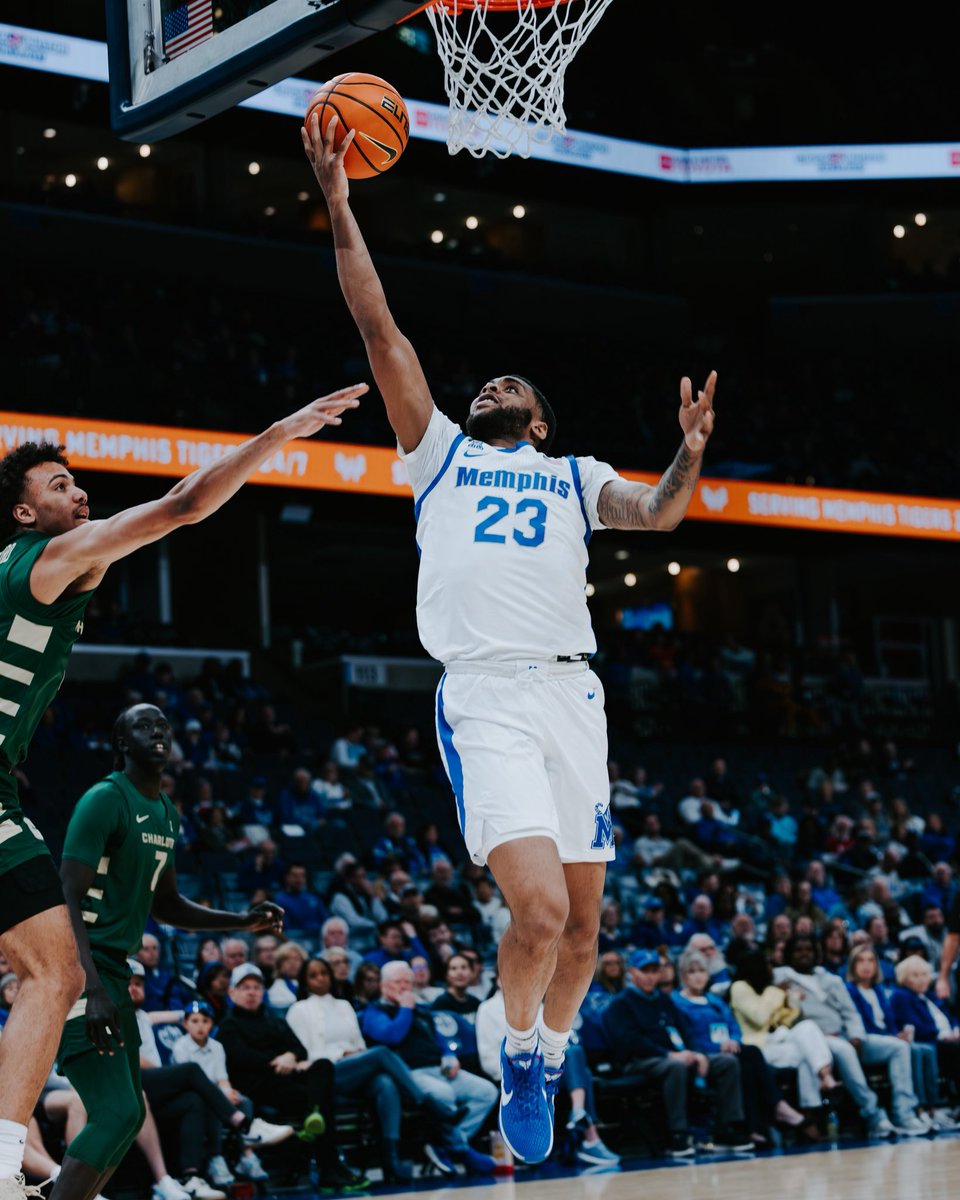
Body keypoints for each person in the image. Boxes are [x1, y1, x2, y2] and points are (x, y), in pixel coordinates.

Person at [304, 111, 716, 1166]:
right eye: (486, 381)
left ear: (539, 420)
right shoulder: (436, 450)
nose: (491, 384)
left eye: (512, 386)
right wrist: (341, 205)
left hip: (572, 698)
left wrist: (688, 456)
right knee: (534, 915)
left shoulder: (574, 477)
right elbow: (381, 329)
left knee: (584, 934)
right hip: (484, 694)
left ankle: (545, 1047)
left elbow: (661, 513)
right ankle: (520, 1050)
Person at [0, 384, 363, 1199]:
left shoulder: (13, 570)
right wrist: (280, 432)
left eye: (76, 482)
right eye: (58, 486)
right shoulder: (52, 559)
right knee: (54, 972)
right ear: (25, 518)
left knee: (46, 973)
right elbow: (185, 504)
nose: (79, 492)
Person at [49, 704, 288, 1200]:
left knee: (130, 1113)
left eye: (163, 724)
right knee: (115, 1112)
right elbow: (65, 897)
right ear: (121, 741)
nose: (158, 730)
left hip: (115, 973)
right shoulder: (103, 800)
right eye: (143, 725)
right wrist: (89, 983)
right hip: (78, 971)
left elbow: (169, 905)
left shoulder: (165, 813)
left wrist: (243, 920)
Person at [285, 957, 458, 1182]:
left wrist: (354, 1053)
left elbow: (359, 1044)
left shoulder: (344, 1005)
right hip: (325, 1074)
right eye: (313, 975)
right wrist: (340, 1054)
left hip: (355, 1067)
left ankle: (391, 1163)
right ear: (304, 981)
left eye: (324, 973)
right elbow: (305, 1054)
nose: (320, 979)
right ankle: (423, 1100)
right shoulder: (298, 1010)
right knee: (382, 1053)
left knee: (385, 1084)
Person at [216, 964, 368, 1192]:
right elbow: (243, 1059)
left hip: (287, 1079)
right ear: (232, 992)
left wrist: (289, 1056)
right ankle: (329, 1164)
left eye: (256, 987)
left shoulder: (273, 1019)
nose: (251, 992)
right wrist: (281, 1061)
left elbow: (299, 1048)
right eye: (245, 987)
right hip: (259, 1086)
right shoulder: (229, 1026)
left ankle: (316, 1123)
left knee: (324, 1066)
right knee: (321, 1100)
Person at [600, 950, 751, 1156]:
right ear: (632, 973)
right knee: (676, 1067)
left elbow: (685, 1030)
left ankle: (726, 1128)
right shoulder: (621, 1004)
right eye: (645, 971)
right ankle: (677, 1134)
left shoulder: (663, 999)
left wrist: (697, 1053)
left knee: (727, 1062)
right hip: (638, 1061)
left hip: (675, 1056)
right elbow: (630, 1042)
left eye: (655, 971)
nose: (651, 976)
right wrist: (668, 1054)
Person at [774, 934, 920, 1137]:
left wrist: (856, 1036)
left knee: (899, 1047)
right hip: (815, 1039)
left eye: (809, 948)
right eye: (798, 949)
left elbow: (850, 1012)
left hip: (845, 1035)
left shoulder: (830, 979)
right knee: (845, 1050)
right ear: (788, 954)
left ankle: (904, 1114)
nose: (804, 953)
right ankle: (874, 1115)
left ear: (817, 953)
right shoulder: (780, 977)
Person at [359, 962, 498, 1175]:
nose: (405, 987)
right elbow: (391, 1036)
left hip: (440, 1070)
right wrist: (405, 1009)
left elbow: (440, 1040)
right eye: (398, 982)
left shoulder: (422, 1009)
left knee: (487, 1092)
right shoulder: (374, 1012)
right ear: (384, 985)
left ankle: (448, 1143)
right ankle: (459, 1149)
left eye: (408, 982)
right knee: (444, 1095)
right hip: (409, 1074)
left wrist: (449, 1056)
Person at [672, 950, 814, 1147]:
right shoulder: (678, 1003)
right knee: (748, 1057)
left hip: (729, 1048)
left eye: (702, 971)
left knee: (749, 1061)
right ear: (683, 976)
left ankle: (753, 1129)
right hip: (704, 1052)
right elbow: (687, 1036)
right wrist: (716, 1046)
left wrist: (734, 1041)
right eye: (692, 971)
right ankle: (776, 1107)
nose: (698, 976)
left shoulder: (714, 1000)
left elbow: (733, 1025)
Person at [171, 1000, 290, 1182]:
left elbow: (222, 1078)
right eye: (194, 1021)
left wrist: (227, 1091)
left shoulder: (217, 1047)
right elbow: (186, 1082)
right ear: (185, 1024)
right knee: (212, 1103)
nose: (200, 1026)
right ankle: (215, 1157)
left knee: (243, 1101)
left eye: (205, 1021)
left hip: (215, 1092)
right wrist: (220, 1094)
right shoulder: (180, 1046)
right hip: (192, 1095)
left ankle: (246, 1155)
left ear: (211, 1024)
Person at [728, 947, 841, 1113]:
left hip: (777, 1039)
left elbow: (787, 1020)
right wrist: (775, 992)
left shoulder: (769, 991)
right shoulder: (739, 988)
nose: (771, 969)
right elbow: (759, 1017)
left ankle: (825, 1079)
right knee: (806, 1054)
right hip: (756, 1048)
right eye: (768, 965)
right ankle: (813, 1110)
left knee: (807, 1028)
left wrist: (792, 1000)